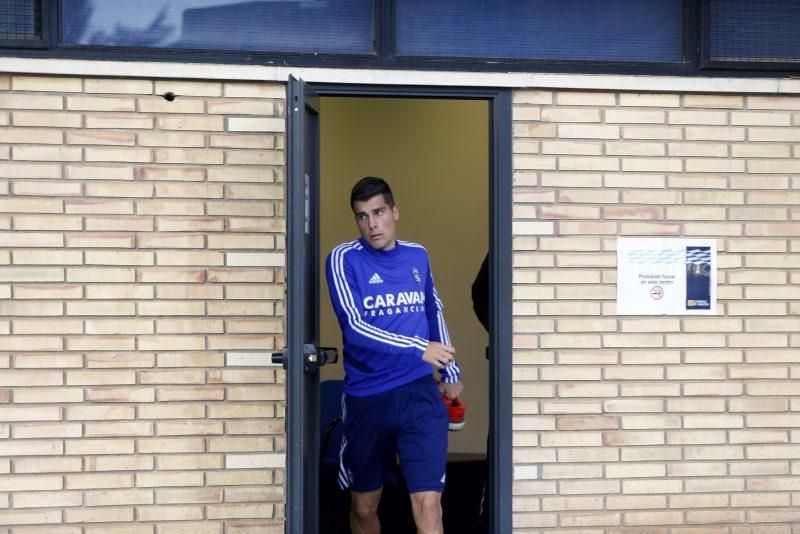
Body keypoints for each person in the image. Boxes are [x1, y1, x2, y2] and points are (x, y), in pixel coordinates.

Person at [325, 176, 463, 534]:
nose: (372, 224)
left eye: (379, 212)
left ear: (395, 212)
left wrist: (450, 372)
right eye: (362, 216)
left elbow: (433, 313)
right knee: (363, 508)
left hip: (418, 393)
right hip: (368, 398)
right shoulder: (343, 259)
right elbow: (355, 327)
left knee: (429, 506)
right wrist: (421, 348)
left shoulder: (417, 255)